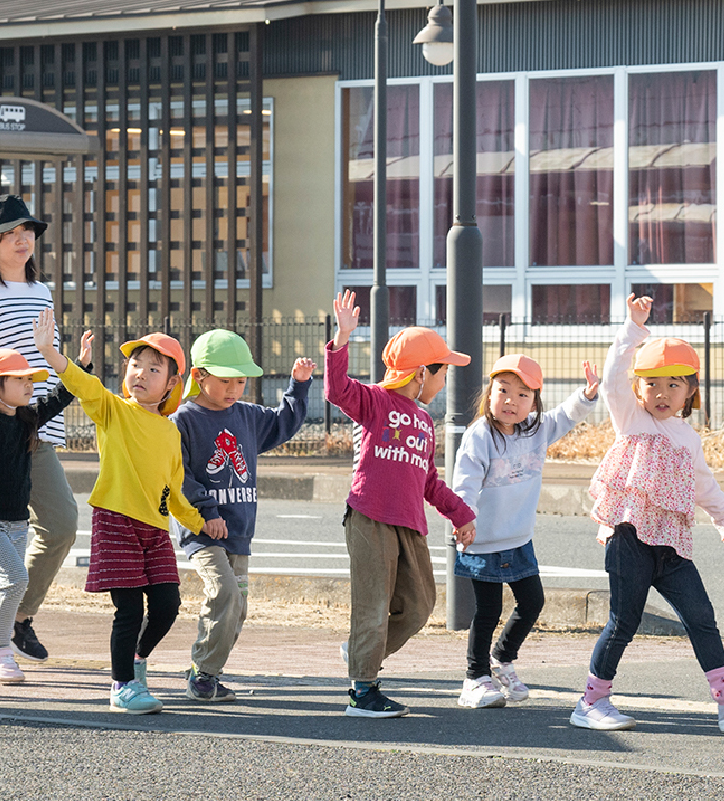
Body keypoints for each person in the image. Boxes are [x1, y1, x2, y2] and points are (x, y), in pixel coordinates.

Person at [572, 295, 724, 734]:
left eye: (673, 384)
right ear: (638, 390)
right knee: (624, 620)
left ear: (690, 391)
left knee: (700, 614)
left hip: (671, 540)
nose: (661, 393)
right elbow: (611, 381)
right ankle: (591, 702)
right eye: (651, 384)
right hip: (629, 535)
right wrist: (633, 327)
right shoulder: (630, 418)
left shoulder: (687, 437)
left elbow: (704, 486)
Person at [32, 308, 210, 715]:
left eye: (153, 368)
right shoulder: (113, 410)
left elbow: (175, 491)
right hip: (115, 520)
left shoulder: (170, 431)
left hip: (154, 528)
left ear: (171, 384)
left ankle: (136, 661)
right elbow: (85, 385)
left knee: (167, 606)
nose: (140, 374)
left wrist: (201, 523)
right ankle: (121, 687)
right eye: (135, 365)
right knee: (128, 609)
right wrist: (54, 357)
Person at [324, 290, 475, 719]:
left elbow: (428, 480)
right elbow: (337, 390)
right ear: (421, 373)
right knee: (372, 605)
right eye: (442, 372)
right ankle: (362, 691)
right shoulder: (375, 401)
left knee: (420, 605)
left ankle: (360, 651)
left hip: (410, 524)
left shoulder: (426, 421)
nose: (445, 381)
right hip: (369, 517)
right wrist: (342, 338)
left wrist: (461, 515)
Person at [0, 194, 79, 671]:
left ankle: (17, 616)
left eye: (27, 231)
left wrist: (60, 408)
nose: (22, 239)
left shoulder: (42, 293)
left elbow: (49, 362)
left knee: (62, 522)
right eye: (9, 233)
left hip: (33, 430)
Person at [450, 354, 600, 709]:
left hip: (518, 539)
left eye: (522, 394)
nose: (511, 401)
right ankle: (475, 679)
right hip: (482, 540)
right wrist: (463, 518)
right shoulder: (479, 435)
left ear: (534, 401)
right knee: (486, 611)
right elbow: (466, 480)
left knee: (532, 602)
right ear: (490, 393)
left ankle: (503, 657)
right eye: (503, 390)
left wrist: (587, 394)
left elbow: (565, 415)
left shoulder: (536, 429)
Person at [172, 329, 315, 703]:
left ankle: (206, 672)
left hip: (239, 531)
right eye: (225, 380)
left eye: (240, 379)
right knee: (224, 591)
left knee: (237, 607)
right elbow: (177, 472)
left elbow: (284, 422)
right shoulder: (184, 419)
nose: (234, 388)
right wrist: (206, 512)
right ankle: (203, 674)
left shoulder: (248, 416)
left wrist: (298, 387)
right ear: (200, 376)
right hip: (202, 530)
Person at [0, 336, 91, 687]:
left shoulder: (25, 419)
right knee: (15, 579)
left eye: (30, 380)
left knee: (1, 586)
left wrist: (81, 366)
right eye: (19, 379)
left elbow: (59, 399)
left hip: (15, 523)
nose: (28, 385)